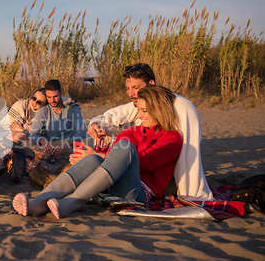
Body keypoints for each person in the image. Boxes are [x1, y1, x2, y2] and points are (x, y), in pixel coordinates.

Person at [13, 85, 183, 219]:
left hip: (135, 191)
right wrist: (95, 154)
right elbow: (110, 156)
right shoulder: (131, 132)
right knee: (94, 159)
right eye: (139, 109)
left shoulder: (172, 138)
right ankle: (37, 203)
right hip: (108, 186)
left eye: (144, 111)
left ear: (159, 111)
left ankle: (70, 203)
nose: (139, 115)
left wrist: (104, 155)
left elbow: (144, 163)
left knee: (125, 150)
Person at [87, 63, 213, 201]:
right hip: (142, 170)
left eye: (136, 88)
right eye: (128, 88)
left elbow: (189, 154)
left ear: (151, 84)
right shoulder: (141, 103)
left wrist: (189, 191)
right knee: (98, 135)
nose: (130, 94)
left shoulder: (181, 107)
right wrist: (96, 124)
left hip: (165, 179)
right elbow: (115, 114)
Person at [28, 79, 86, 159]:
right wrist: (42, 140)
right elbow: (32, 134)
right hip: (50, 145)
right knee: (26, 145)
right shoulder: (43, 111)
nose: (52, 100)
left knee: (88, 142)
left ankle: (64, 156)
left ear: (61, 94)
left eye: (55, 96)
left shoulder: (73, 108)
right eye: (49, 97)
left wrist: (64, 144)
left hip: (69, 143)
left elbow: (82, 131)